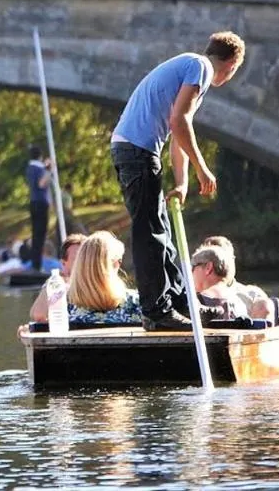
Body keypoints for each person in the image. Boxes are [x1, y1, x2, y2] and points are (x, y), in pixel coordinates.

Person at [110, 31, 245, 331]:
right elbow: (178, 122)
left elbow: (178, 134)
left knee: (164, 234)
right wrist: (202, 168)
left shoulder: (191, 68)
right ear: (232, 64)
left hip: (138, 151)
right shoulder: (201, 68)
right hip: (136, 151)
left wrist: (182, 182)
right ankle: (156, 313)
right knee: (151, 234)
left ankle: (183, 303)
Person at [29, 231, 142, 325]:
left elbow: (39, 316)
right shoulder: (137, 303)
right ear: (116, 264)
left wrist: (55, 280)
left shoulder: (65, 304)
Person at [188, 246, 250, 321]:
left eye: (193, 267)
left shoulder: (194, 301)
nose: (191, 273)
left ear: (208, 267)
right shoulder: (240, 303)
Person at [25, 146, 53, 271]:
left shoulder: (30, 168)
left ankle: (35, 264)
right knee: (40, 235)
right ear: (40, 156)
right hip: (40, 204)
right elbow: (42, 183)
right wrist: (49, 170)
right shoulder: (37, 168)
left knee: (37, 234)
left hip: (34, 203)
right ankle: (37, 266)